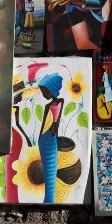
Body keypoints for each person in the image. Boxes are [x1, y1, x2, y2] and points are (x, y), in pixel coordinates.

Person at [36, 73, 64, 204]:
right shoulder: (48, 106)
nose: (43, 94)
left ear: (52, 88)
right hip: (44, 139)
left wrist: (51, 134)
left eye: (44, 91)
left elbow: (55, 123)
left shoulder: (60, 102)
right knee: (47, 169)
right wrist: (40, 138)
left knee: (51, 168)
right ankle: (48, 198)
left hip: (50, 139)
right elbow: (43, 124)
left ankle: (49, 198)